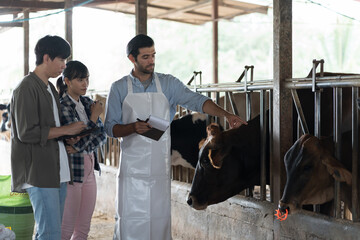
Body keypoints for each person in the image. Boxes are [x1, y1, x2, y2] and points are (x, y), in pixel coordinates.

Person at [104, 34, 247, 240]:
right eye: (145, 57)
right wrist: (133, 127)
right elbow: (110, 128)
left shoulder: (168, 84)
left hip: (159, 167)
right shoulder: (118, 88)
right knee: (130, 218)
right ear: (132, 59)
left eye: (153, 55)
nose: (151, 60)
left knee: (158, 219)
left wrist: (226, 114)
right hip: (131, 169)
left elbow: (197, 101)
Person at [10, 35, 87, 240]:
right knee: (50, 233)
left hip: (56, 169)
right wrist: (65, 130)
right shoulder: (26, 88)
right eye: (61, 60)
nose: (64, 66)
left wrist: (68, 136)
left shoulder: (50, 88)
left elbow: (51, 129)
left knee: (51, 232)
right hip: (38, 171)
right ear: (46, 58)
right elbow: (26, 132)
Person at [57, 60, 107, 240]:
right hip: (72, 172)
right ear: (67, 81)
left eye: (87, 79)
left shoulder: (87, 102)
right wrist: (93, 119)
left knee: (84, 227)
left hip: (90, 170)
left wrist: (77, 145)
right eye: (80, 80)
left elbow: (102, 135)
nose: (85, 84)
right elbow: (70, 135)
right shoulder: (63, 106)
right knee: (66, 227)